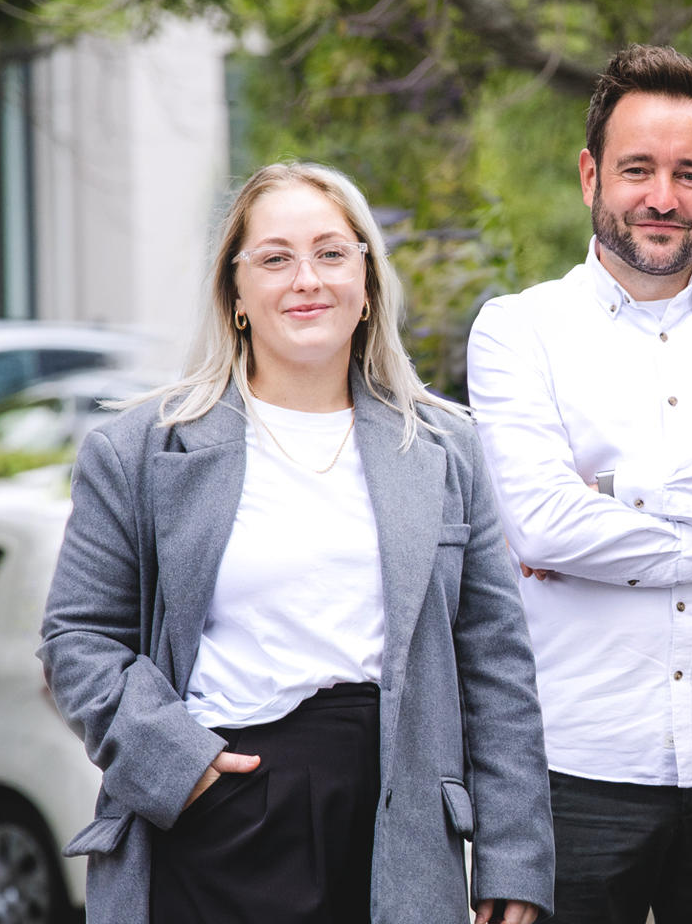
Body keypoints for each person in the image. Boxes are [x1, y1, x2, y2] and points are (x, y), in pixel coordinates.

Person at [39, 161, 553, 924]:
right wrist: (186, 769)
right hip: (217, 816)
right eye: (275, 258)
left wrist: (514, 859)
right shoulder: (141, 450)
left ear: (368, 280)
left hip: (394, 828)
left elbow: (495, 663)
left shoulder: (446, 447)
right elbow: (77, 640)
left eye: (331, 253)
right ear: (236, 293)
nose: (306, 278)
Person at [468, 44, 692, 923]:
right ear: (591, 174)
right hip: (580, 763)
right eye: (638, 169)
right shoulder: (519, 332)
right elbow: (547, 527)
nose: (663, 198)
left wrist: (616, 491)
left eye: (689, 173)